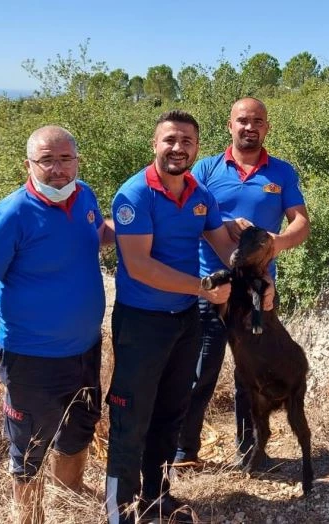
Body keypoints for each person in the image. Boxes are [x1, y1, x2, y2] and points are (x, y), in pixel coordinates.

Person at [0, 125, 113, 524]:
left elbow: (97, 233)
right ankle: (30, 518)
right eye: (47, 160)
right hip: (31, 358)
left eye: (65, 159)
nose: (58, 169)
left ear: (77, 161)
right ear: (28, 164)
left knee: (79, 429)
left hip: (85, 348)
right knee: (29, 450)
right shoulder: (10, 215)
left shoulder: (85, 196)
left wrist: (146, 225)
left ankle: (70, 497)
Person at [105, 110, 243, 524]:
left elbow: (225, 248)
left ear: (197, 148)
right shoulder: (134, 195)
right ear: (155, 144)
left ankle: (157, 497)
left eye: (187, 141)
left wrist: (255, 268)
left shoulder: (200, 195)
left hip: (185, 321)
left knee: (169, 413)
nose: (178, 148)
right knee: (131, 418)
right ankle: (122, 511)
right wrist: (202, 288)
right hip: (142, 323)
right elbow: (140, 266)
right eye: (170, 140)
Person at [173, 97, 310, 467]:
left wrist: (277, 243)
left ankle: (251, 453)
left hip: (257, 294)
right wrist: (223, 225)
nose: (250, 127)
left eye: (258, 121)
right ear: (230, 125)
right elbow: (187, 216)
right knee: (200, 371)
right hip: (210, 288)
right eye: (243, 120)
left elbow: (300, 222)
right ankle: (184, 452)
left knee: (251, 376)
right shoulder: (205, 169)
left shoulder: (281, 172)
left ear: (267, 127)